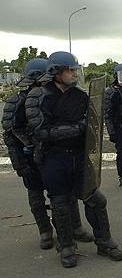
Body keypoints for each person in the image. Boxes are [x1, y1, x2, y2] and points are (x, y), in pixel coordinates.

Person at [25, 51, 122, 267]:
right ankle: (67, 246)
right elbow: (41, 132)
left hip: (79, 157)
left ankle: (104, 242)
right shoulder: (38, 97)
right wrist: (78, 128)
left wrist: (86, 129)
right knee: (60, 204)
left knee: (96, 199)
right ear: (56, 72)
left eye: (75, 69)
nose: (75, 74)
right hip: (54, 159)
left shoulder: (80, 96)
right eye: (70, 70)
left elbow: (92, 124)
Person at [1, 58, 94, 251]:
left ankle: (74, 228)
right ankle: (45, 231)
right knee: (36, 195)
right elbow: (11, 133)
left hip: (52, 153)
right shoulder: (18, 101)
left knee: (65, 194)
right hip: (29, 157)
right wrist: (20, 161)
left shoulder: (57, 96)